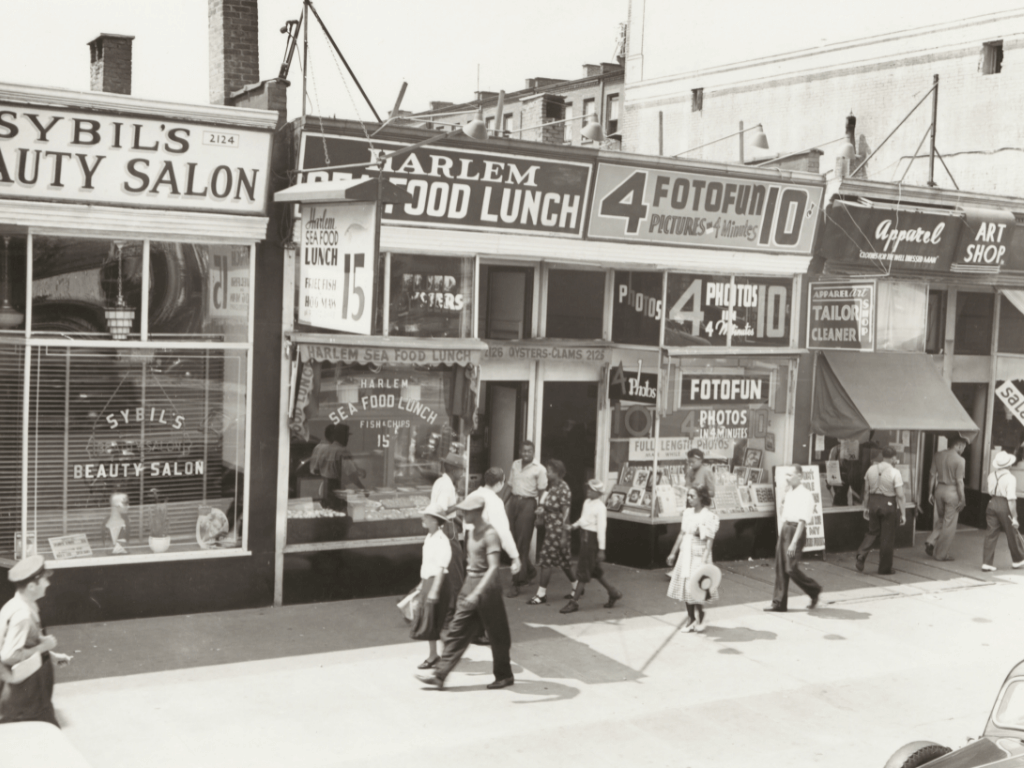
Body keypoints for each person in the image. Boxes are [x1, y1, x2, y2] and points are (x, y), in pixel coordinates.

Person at [416, 495, 514, 690]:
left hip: (488, 590)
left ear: (476, 513)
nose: (463, 515)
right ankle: (440, 675)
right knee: (456, 631)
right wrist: (467, 590)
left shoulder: (489, 534)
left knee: (498, 635)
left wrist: (476, 593)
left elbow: (493, 567)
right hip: (470, 584)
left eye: (466, 512)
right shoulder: (470, 532)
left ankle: (504, 676)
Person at [0, 555, 72, 726]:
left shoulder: (17, 604)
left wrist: (50, 654)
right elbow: (9, 655)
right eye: (45, 580)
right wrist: (43, 647)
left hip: (29, 694)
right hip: (25, 696)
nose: (48, 583)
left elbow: (24, 642)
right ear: (32, 586)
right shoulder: (22, 615)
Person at [560, 479, 622, 613]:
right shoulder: (587, 502)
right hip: (584, 537)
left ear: (598, 493)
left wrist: (601, 549)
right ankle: (613, 592)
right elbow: (584, 519)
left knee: (583, 570)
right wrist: (573, 526)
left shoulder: (601, 507)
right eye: (587, 488)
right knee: (594, 570)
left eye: (591, 490)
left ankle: (574, 602)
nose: (588, 491)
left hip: (592, 541)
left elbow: (601, 529)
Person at [765, 466, 822, 612]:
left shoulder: (806, 494)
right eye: (787, 475)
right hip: (785, 529)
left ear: (800, 476)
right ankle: (779, 603)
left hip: (795, 531)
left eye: (790, 474)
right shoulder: (789, 492)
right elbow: (783, 513)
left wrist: (793, 542)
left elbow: (802, 521)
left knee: (790, 568)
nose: (787, 477)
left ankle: (814, 589)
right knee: (780, 566)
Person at [666, 486, 720, 632]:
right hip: (686, 551)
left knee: (696, 585)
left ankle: (700, 614)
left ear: (701, 498)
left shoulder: (708, 516)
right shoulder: (687, 513)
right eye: (688, 496)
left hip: (699, 552)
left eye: (692, 496)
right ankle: (691, 618)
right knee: (685, 585)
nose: (689, 499)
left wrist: (705, 558)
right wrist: (673, 553)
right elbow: (682, 533)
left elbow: (709, 540)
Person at [528, 460, 577, 605]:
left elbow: (566, 514)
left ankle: (541, 594)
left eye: (549, 471)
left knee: (546, 560)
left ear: (557, 473)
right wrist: (542, 511)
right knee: (564, 561)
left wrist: (564, 535)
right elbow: (548, 506)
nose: (547, 473)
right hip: (551, 528)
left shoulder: (564, 489)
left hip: (557, 530)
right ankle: (576, 587)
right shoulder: (551, 487)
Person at [411, 505, 454, 670]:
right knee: (430, 622)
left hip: (439, 583)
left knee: (439, 621)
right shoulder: (429, 537)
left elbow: (441, 568)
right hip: (429, 581)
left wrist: (435, 590)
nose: (423, 519)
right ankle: (433, 655)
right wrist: (422, 584)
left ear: (435, 520)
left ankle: (447, 656)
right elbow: (427, 564)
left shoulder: (442, 541)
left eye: (427, 517)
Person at [855, 447, 905, 575]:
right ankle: (884, 568)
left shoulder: (871, 469)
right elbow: (899, 495)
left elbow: (866, 491)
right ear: (893, 457)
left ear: (882, 456)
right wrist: (903, 513)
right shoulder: (895, 472)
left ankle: (861, 554)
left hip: (873, 502)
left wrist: (865, 507)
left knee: (872, 532)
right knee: (887, 537)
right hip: (888, 503)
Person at [506, 441, 547, 594]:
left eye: (529, 451)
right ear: (519, 451)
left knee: (522, 543)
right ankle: (529, 570)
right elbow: (510, 486)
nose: (526, 454)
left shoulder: (540, 469)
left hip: (529, 504)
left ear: (534, 452)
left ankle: (516, 582)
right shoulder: (515, 464)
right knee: (511, 540)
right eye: (524, 451)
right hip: (514, 503)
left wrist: (541, 512)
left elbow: (543, 492)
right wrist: (500, 502)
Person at [926, 436, 967, 562]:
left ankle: (931, 541)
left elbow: (932, 475)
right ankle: (941, 554)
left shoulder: (938, 455)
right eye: (964, 446)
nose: (964, 449)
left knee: (942, 519)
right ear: (959, 445)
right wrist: (963, 499)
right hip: (952, 491)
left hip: (939, 490)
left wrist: (930, 493)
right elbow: (960, 481)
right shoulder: (960, 460)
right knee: (949, 524)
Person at [982, 451, 1024, 572]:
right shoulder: (1010, 478)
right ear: (1009, 465)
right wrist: (1015, 517)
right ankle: (1018, 559)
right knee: (1012, 532)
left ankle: (987, 562)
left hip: (991, 502)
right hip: (1004, 504)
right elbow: (1011, 499)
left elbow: (990, 491)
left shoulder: (991, 475)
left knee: (990, 533)